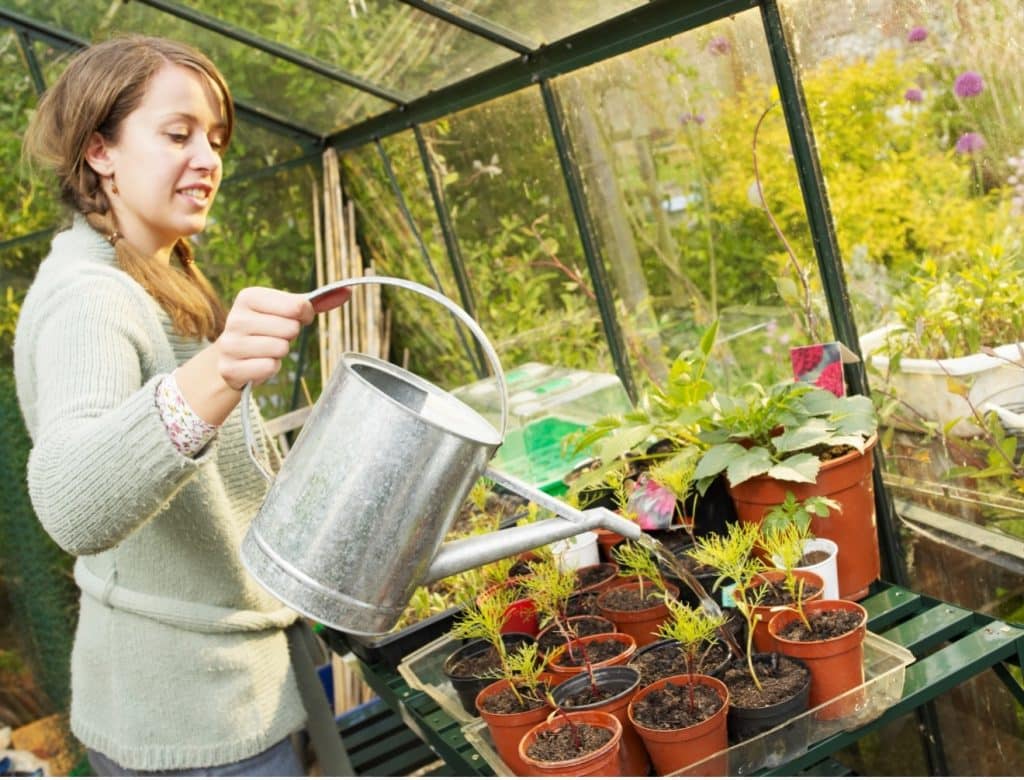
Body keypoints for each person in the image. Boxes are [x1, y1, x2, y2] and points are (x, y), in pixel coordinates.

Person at [14, 35, 348, 776]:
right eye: (177, 133)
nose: (208, 158)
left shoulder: (155, 274)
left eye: (214, 138)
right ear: (100, 151)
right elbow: (72, 502)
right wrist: (222, 367)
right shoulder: (90, 298)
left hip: (224, 690)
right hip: (188, 726)